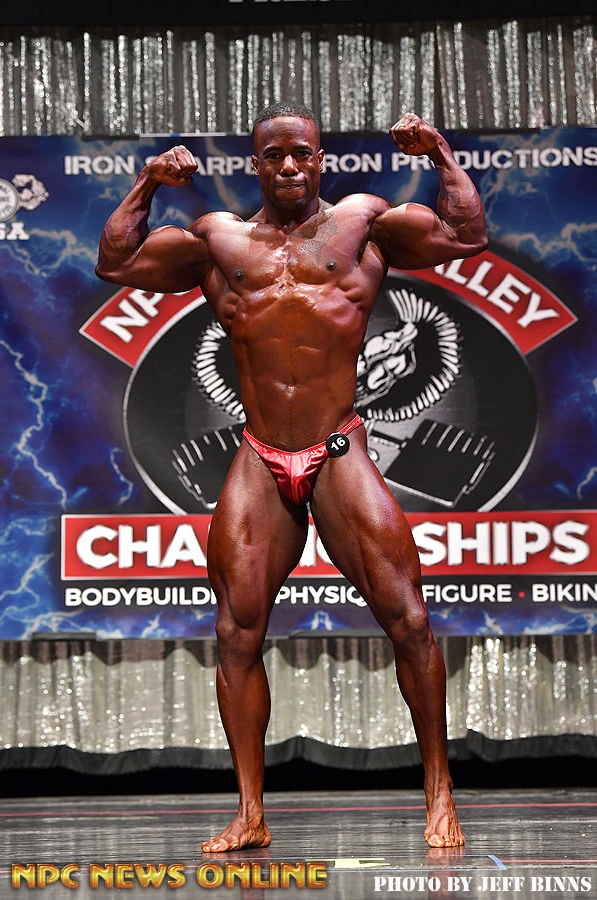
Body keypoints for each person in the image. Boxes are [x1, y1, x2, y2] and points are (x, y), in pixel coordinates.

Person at [96, 102, 487, 851]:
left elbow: (466, 234)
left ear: (320, 159)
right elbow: (116, 262)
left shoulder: (363, 224)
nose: (288, 166)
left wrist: (439, 150)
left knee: (409, 621)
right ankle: (250, 812)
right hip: (260, 455)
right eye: (273, 155)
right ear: (256, 165)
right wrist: (146, 182)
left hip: (338, 448)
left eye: (300, 153)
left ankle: (440, 794)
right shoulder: (218, 240)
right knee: (236, 633)